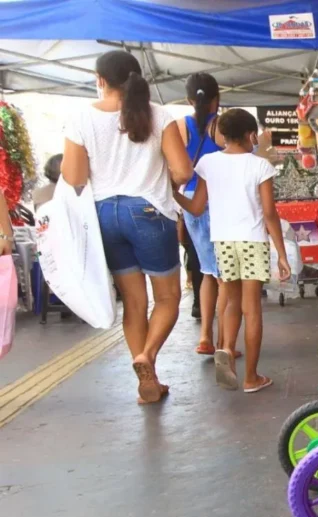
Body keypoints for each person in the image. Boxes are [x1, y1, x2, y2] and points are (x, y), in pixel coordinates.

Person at [61, 50, 192, 404]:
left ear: (100, 80)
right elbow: (183, 171)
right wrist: (163, 184)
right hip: (149, 211)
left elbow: (74, 177)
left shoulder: (80, 118)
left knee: (134, 303)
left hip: (105, 215)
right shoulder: (159, 115)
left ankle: (149, 382)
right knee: (167, 298)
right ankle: (147, 356)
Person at [175, 109, 290, 393]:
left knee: (230, 303)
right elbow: (269, 213)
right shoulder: (260, 166)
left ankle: (226, 348)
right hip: (252, 241)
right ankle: (251, 377)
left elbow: (196, 207)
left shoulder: (208, 163)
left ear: (224, 135)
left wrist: (173, 193)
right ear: (251, 135)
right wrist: (282, 253)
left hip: (223, 242)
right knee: (252, 310)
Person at [176, 73, 227, 355]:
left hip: (191, 203)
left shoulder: (179, 127)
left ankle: (206, 336)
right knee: (225, 276)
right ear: (216, 99)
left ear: (188, 99)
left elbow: (175, 169)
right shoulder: (221, 126)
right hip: (219, 200)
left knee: (207, 271)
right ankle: (224, 342)